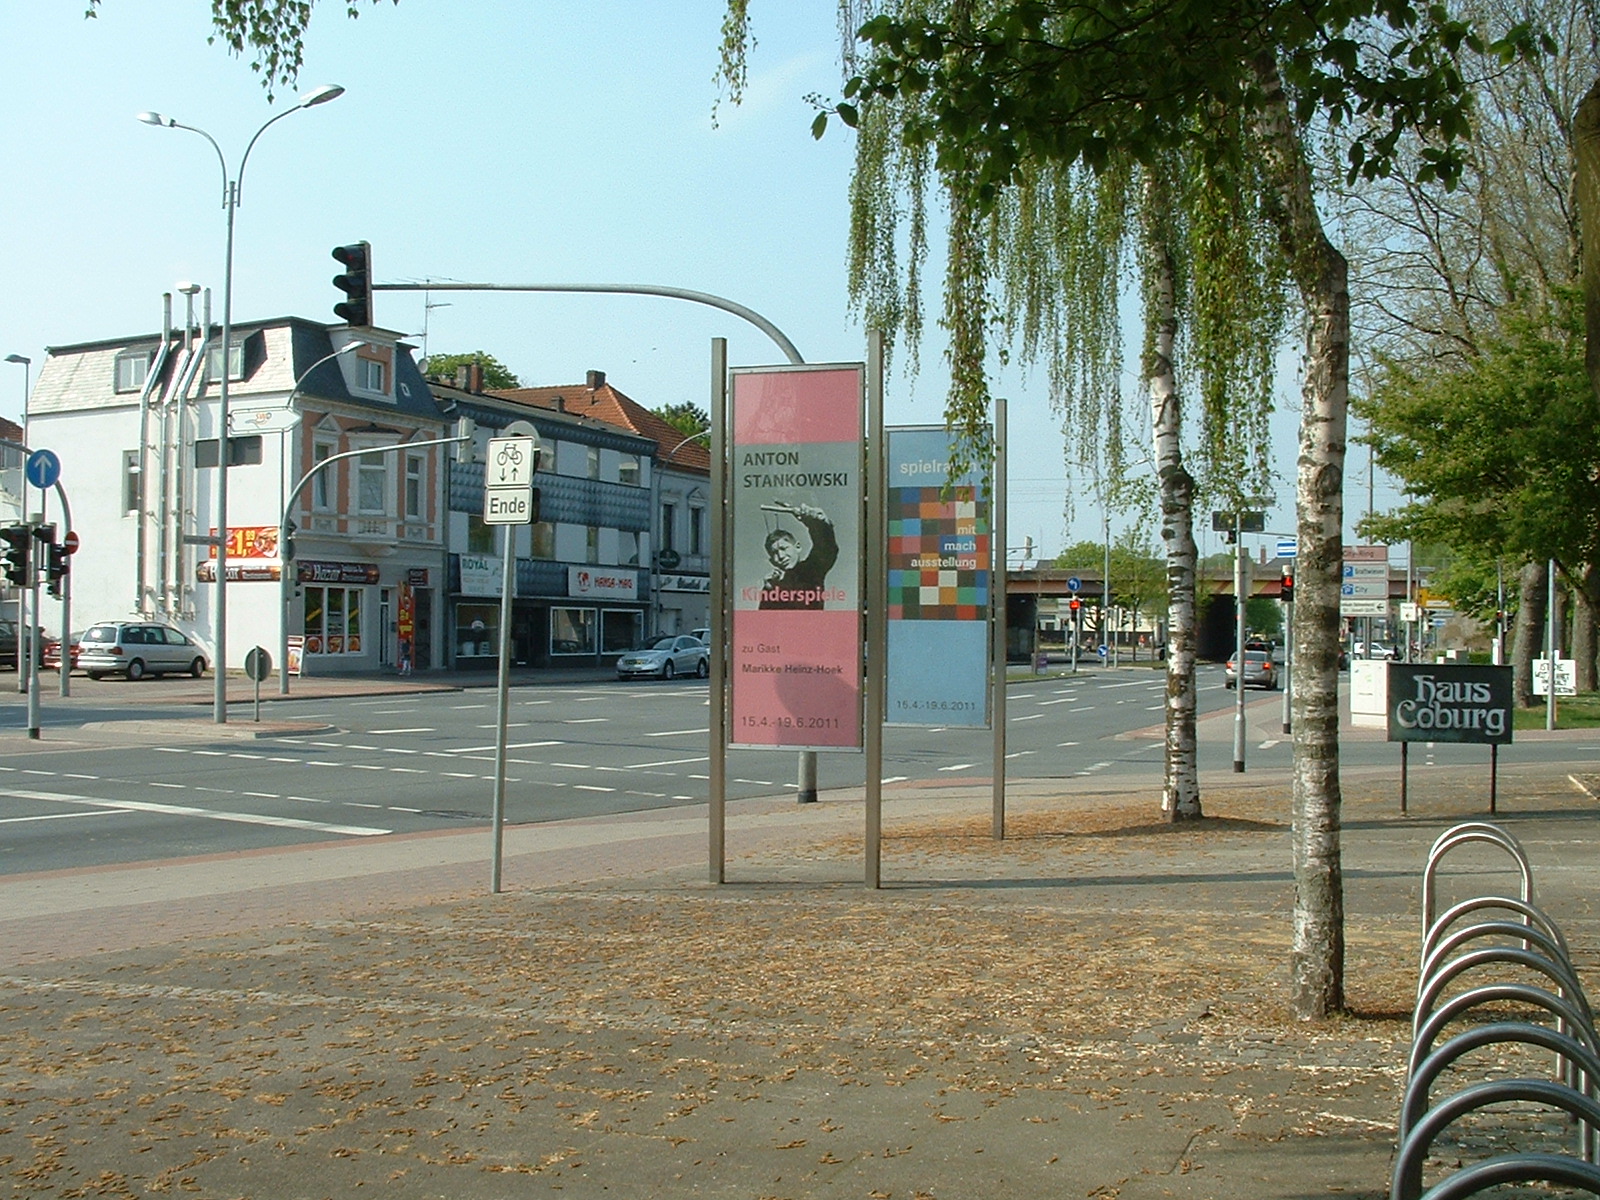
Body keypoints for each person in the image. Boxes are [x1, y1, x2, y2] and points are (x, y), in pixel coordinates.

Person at [758, 502, 838, 609]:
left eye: (783, 548)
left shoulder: (811, 569)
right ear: (772, 561)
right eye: (774, 553)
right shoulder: (775, 586)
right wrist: (768, 590)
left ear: (798, 547)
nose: (781, 556)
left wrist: (816, 522)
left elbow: (826, 548)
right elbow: (765, 621)